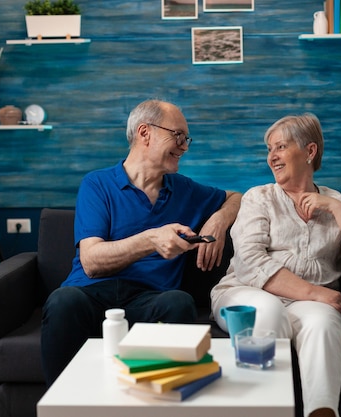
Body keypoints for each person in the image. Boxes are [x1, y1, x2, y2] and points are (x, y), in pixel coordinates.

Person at [41, 99, 242, 386]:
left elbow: (237, 197)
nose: (184, 146)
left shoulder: (184, 189)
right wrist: (151, 240)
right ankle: (62, 404)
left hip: (151, 298)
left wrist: (219, 220)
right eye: (178, 136)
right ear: (144, 132)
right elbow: (92, 262)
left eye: (187, 139)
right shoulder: (97, 184)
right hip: (91, 294)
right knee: (63, 301)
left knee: (179, 302)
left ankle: (167, 402)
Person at [210, 113, 341, 417]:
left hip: (305, 304)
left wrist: (336, 209)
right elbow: (251, 263)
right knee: (267, 312)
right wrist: (319, 294)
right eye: (269, 150)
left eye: (280, 147)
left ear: (310, 151)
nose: (272, 157)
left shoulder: (338, 202)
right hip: (246, 291)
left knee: (324, 324)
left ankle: (322, 412)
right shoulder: (259, 198)